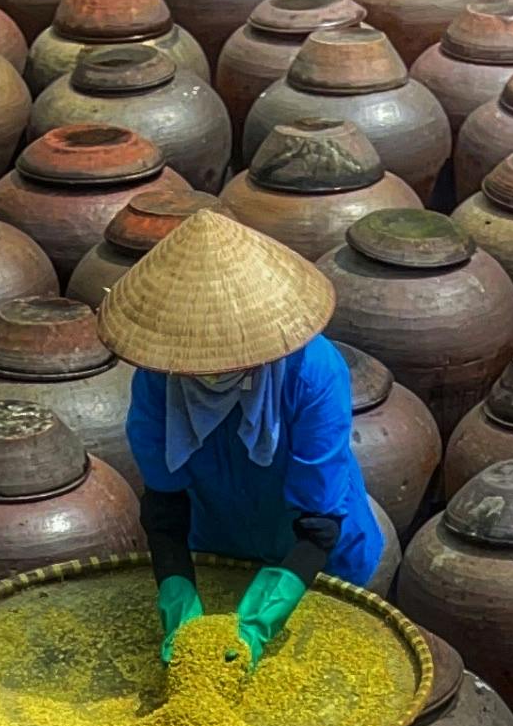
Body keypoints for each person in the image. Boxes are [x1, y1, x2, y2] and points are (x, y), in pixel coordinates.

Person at [100, 204, 386, 663]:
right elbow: (165, 504)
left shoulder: (312, 373)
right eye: (196, 364)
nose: (208, 373)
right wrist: (179, 598)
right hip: (217, 552)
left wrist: (257, 624)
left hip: (314, 563)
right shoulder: (159, 379)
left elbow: (319, 524)